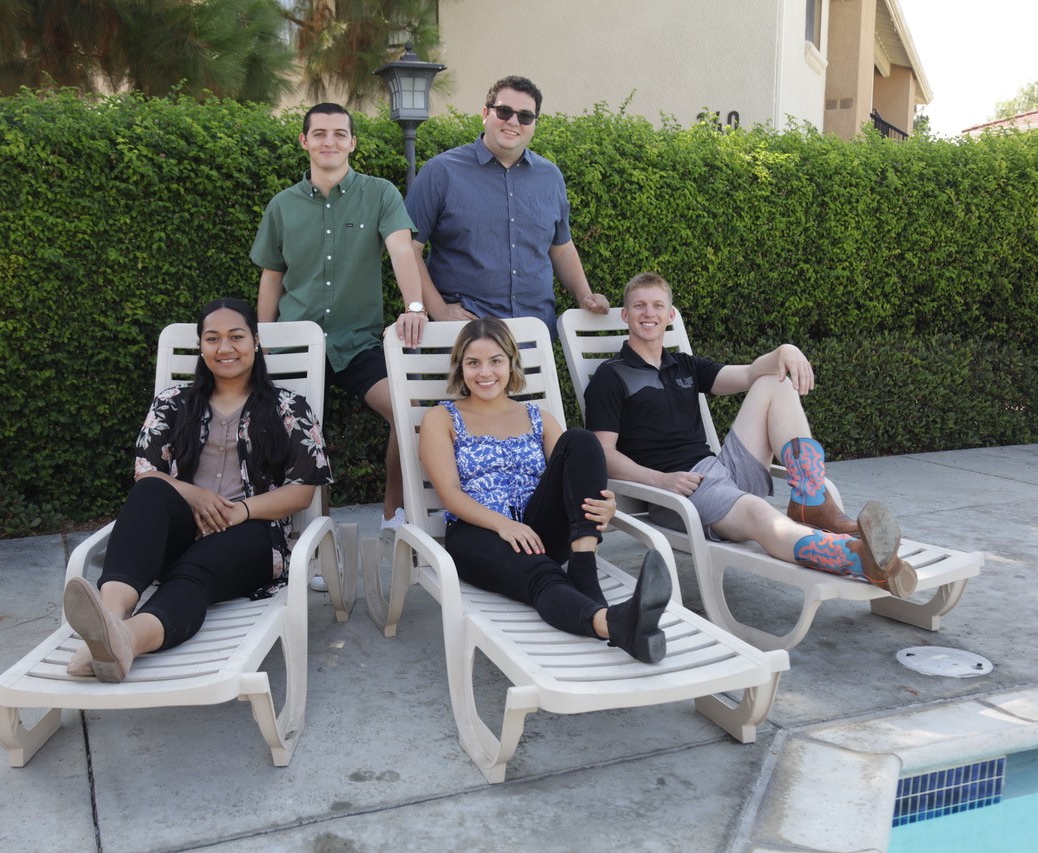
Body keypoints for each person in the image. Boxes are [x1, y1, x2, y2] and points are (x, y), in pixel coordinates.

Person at [584, 272, 916, 597]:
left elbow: (750, 373)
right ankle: (855, 557)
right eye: (639, 306)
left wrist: (785, 350)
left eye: (657, 305)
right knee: (762, 517)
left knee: (774, 380)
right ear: (625, 315)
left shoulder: (685, 366)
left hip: (720, 472)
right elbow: (603, 453)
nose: (649, 313)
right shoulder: (611, 376)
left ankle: (810, 501)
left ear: (670, 315)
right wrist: (660, 480)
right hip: (680, 493)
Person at [61, 298, 333, 682]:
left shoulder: (289, 408)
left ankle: (125, 640)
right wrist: (197, 496)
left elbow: (303, 491)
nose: (225, 348)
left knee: (193, 575)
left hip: (251, 538)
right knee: (149, 494)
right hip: (180, 533)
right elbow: (147, 475)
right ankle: (109, 619)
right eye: (212, 338)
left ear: (255, 342)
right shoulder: (172, 404)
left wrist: (239, 511)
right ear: (201, 346)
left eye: (236, 337)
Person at [418, 317, 674, 664]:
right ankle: (614, 623)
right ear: (460, 368)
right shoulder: (442, 418)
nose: (485, 372)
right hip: (477, 535)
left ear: (511, 362)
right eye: (473, 362)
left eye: (495, 360)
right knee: (543, 575)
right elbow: (449, 494)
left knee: (580, 440)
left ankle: (584, 563)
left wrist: (605, 507)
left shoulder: (538, 417)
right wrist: (502, 524)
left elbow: (575, 474)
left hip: (539, 532)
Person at [251, 102, 425, 589]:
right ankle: (319, 544)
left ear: (352, 143)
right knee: (305, 436)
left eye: (340, 133)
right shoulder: (282, 206)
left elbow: (400, 250)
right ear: (304, 141)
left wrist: (414, 306)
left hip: (357, 341)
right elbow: (271, 277)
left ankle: (395, 520)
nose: (330, 141)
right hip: (296, 344)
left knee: (407, 411)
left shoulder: (380, 194)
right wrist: (263, 341)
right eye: (320, 133)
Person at [405, 75, 609, 331]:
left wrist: (584, 296)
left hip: (534, 332)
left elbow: (561, 248)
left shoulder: (551, 177)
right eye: (503, 111)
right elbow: (409, 248)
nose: (513, 121)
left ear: (534, 124)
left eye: (525, 116)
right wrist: (438, 309)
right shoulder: (441, 172)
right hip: (466, 333)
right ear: (485, 113)